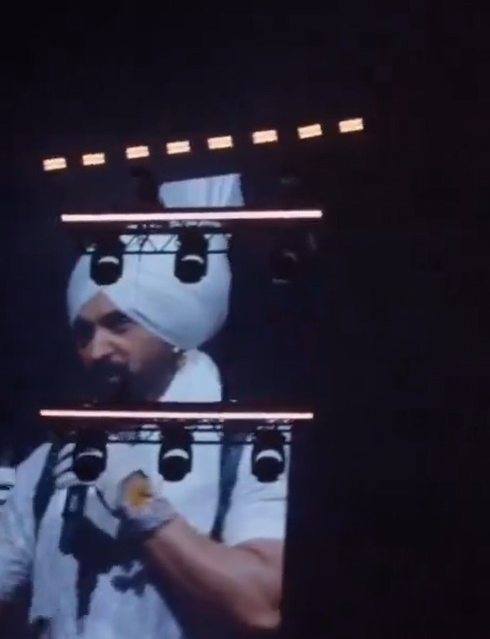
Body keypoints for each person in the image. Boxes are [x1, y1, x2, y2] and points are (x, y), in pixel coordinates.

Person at [0, 174, 287, 638]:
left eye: (119, 325)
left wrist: (134, 496)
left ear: (170, 321)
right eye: (84, 333)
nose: (96, 350)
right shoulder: (50, 465)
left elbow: (260, 603)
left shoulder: (252, 444)